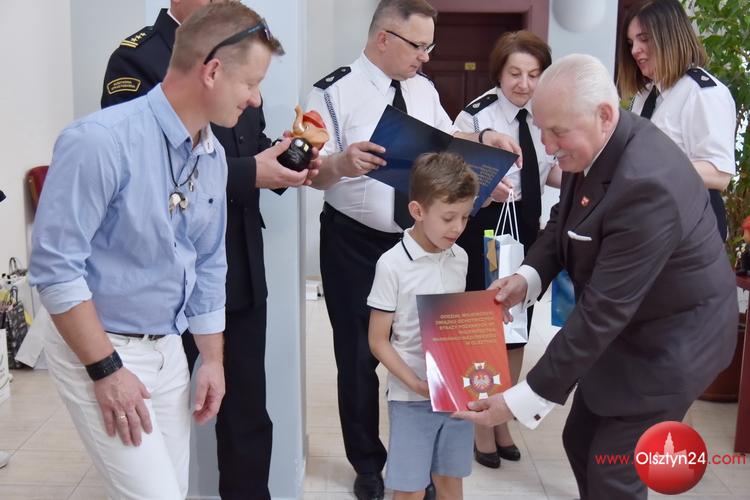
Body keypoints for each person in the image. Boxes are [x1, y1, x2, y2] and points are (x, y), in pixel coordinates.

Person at [455, 54, 738, 499]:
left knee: (614, 469)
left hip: (672, 340)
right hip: (628, 326)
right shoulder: (594, 145)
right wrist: (527, 278)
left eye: (556, 132)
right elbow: (562, 222)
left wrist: (518, 399)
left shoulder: (647, 184)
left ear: (604, 115)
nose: (547, 145)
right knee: (580, 440)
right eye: (542, 130)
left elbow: (603, 310)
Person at [28, 3, 283, 498]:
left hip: (165, 345)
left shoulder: (211, 155)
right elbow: (56, 270)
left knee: (171, 489)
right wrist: (106, 370)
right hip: (102, 344)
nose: (255, 99)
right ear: (212, 72)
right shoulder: (99, 142)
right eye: (251, 83)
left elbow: (208, 261)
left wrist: (211, 360)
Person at [101, 2, 316, 497]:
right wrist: (251, 172)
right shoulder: (138, 57)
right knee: (154, 420)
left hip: (235, 262)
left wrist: (283, 161)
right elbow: (147, 173)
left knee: (247, 414)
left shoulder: (243, 47)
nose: (254, 95)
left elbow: (245, 144)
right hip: (167, 274)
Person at [305, 1, 519, 497]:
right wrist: (341, 163)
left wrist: (484, 140)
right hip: (354, 242)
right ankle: (368, 465)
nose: (426, 56)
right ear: (384, 38)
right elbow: (311, 173)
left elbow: (448, 145)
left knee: (430, 351)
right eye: (418, 46)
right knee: (358, 357)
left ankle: (423, 465)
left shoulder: (423, 89)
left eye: (430, 46)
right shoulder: (333, 91)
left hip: (422, 246)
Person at [453, 30, 560, 469]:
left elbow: (548, 172)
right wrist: (483, 184)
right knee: (485, 329)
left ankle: (503, 419)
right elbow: (449, 170)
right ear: (499, 73)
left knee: (517, 330)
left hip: (527, 234)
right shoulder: (477, 115)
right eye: (515, 73)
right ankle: (481, 425)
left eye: (533, 74)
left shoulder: (546, 113)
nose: (524, 83)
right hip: (485, 231)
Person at [368, 152, 478, 500]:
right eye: (448, 218)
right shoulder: (392, 265)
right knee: (410, 490)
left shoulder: (460, 257)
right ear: (417, 210)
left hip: (456, 395)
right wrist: (414, 383)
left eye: (465, 217)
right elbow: (378, 341)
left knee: (450, 481)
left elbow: (457, 327)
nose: (457, 227)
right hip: (410, 398)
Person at [618, 0, 736, 241]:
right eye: (631, 43)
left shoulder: (704, 92)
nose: (635, 50)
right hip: (649, 223)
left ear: (669, 36)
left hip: (690, 229)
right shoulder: (644, 95)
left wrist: (651, 168)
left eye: (644, 39)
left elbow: (719, 174)